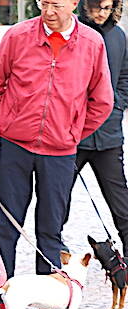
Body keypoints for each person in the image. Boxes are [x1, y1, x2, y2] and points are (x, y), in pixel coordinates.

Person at [0, 0, 113, 309]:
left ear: (74, 3)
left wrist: (72, 132)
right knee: (6, 226)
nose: (49, 10)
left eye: (57, 4)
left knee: (51, 228)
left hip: (61, 151)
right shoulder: (18, 36)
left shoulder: (92, 43)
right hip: (15, 147)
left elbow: (102, 100)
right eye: (44, 2)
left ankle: (50, 305)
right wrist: (11, 122)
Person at [63, 0, 128, 259]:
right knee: (57, 202)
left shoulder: (119, 36)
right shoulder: (73, 32)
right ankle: (54, 257)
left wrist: (117, 104)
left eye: (107, 8)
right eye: (97, 7)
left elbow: (124, 76)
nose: (101, 13)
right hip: (72, 137)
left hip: (109, 137)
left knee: (121, 204)